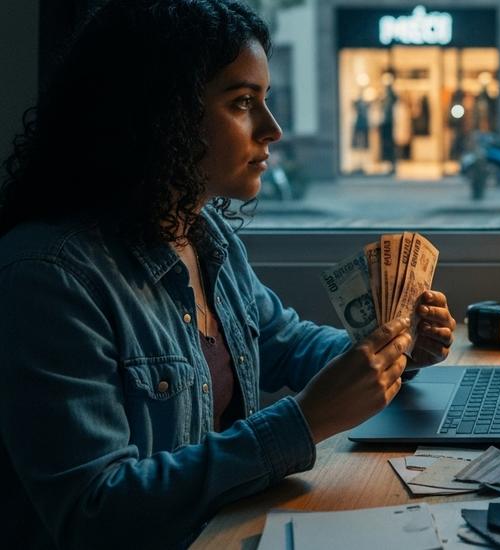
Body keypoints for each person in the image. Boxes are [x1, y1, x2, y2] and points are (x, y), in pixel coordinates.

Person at [0, 1, 456, 548]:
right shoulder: (50, 278)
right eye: (243, 102)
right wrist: (303, 423)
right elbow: (93, 512)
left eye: (265, 100)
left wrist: (397, 348)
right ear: (158, 113)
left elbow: (287, 343)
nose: (273, 129)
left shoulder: (205, 238)